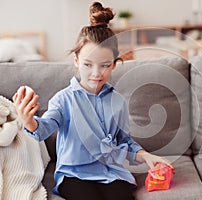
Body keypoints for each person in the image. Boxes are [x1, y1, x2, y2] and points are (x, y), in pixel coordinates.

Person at [13, 2, 173, 200]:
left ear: (114, 64)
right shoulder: (63, 100)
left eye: (105, 65)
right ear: (76, 61)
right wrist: (29, 122)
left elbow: (124, 141)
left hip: (112, 173)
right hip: (74, 175)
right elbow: (44, 128)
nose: (96, 73)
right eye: (88, 64)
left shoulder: (118, 102)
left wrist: (146, 156)